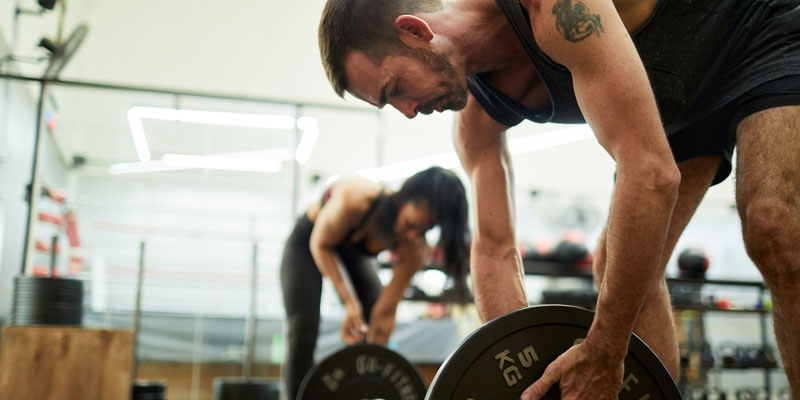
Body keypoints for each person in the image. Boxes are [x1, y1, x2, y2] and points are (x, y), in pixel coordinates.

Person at [317, 0, 800, 398]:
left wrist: (606, 349)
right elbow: (494, 249)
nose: (406, 111)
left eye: (396, 89)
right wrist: (528, 374)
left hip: (756, 28)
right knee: (620, 263)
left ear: (415, 31)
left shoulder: (553, 10)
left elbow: (650, 174)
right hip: (675, 103)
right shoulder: (476, 124)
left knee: (775, 225)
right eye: (390, 105)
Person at [279, 166, 469, 399]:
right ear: (402, 200)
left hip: (354, 256)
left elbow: (385, 310)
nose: (411, 236)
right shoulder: (356, 199)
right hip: (308, 246)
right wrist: (349, 303)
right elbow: (321, 245)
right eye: (410, 225)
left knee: (371, 311)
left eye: (422, 230)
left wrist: (373, 369)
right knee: (303, 329)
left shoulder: (415, 249)